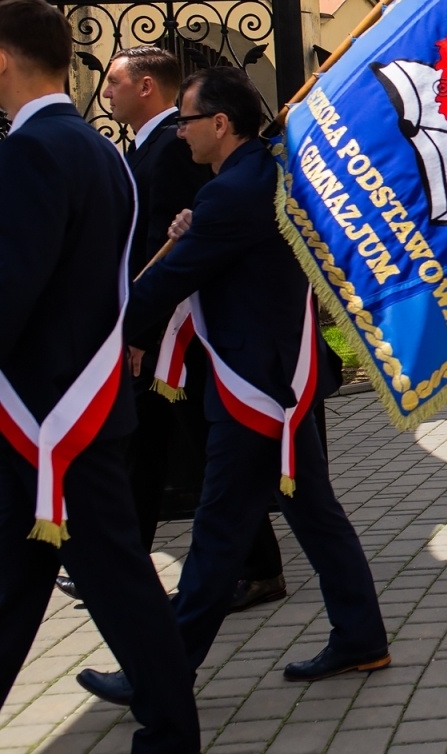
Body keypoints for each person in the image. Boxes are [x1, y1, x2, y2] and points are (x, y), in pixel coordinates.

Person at [78, 66, 388, 707]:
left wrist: (105, 334)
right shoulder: (256, 178)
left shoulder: (234, 193)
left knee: (218, 535)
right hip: (278, 380)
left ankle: (157, 674)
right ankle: (360, 635)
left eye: (188, 120)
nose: (181, 133)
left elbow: (167, 283)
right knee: (315, 512)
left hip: (251, 388)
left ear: (221, 124)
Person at [0, 0, 200, 752]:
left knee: (117, 586)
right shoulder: (96, 150)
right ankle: (171, 725)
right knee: (21, 585)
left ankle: (173, 730)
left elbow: (12, 285)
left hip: (50, 415)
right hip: (74, 405)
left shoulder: (29, 152)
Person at [60, 46, 288, 614]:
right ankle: (132, 566)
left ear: (145, 87)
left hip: (182, 332)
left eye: (114, 82)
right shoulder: (156, 147)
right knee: (161, 449)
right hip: (170, 327)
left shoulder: (173, 151)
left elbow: (179, 254)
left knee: (185, 452)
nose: (105, 93)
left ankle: (157, 581)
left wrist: (131, 329)